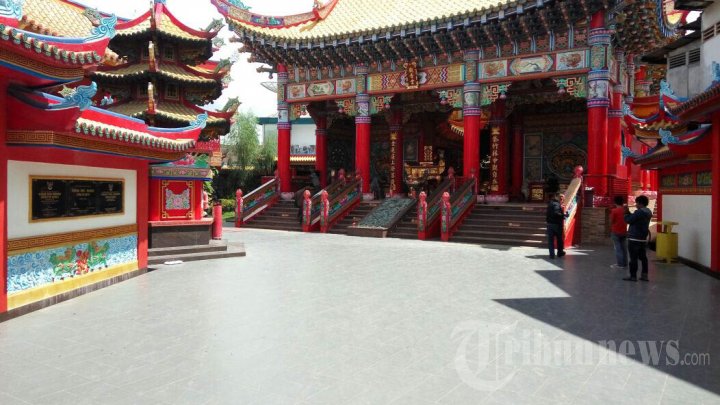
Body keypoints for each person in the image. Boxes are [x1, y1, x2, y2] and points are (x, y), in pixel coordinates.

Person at [623, 195, 653, 282]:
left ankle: (633, 276)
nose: (636, 204)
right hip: (642, 238)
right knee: (643, 258)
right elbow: (635, 219)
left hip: (634, 238)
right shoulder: (648, 212)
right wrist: (629, 213)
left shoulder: (639, 212)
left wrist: (625, 213)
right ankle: (644, 275)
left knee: (633, 258)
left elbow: (628, 220)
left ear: (640, 203)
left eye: (637, 203)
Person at [546, 192, 568, 259]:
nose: (562, 200)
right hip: (556, 225)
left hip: (549, 224)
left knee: (550, 241)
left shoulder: (550, 203)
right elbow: (556, 213)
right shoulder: (556, 204)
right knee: (559, 239)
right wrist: (564, 215)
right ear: (559, 198)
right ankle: (560, 253)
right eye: (562, 199)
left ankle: (552, 255)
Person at [609, 195, 628, 270]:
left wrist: (610, 229)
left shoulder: (614, 211)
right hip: (624, 231)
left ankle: (620, 264)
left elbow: (611, 221)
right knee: (624, 248)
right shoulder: (625, 210)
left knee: (618, 248)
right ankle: (625, 263)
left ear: (615, 202)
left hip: (616, 231)